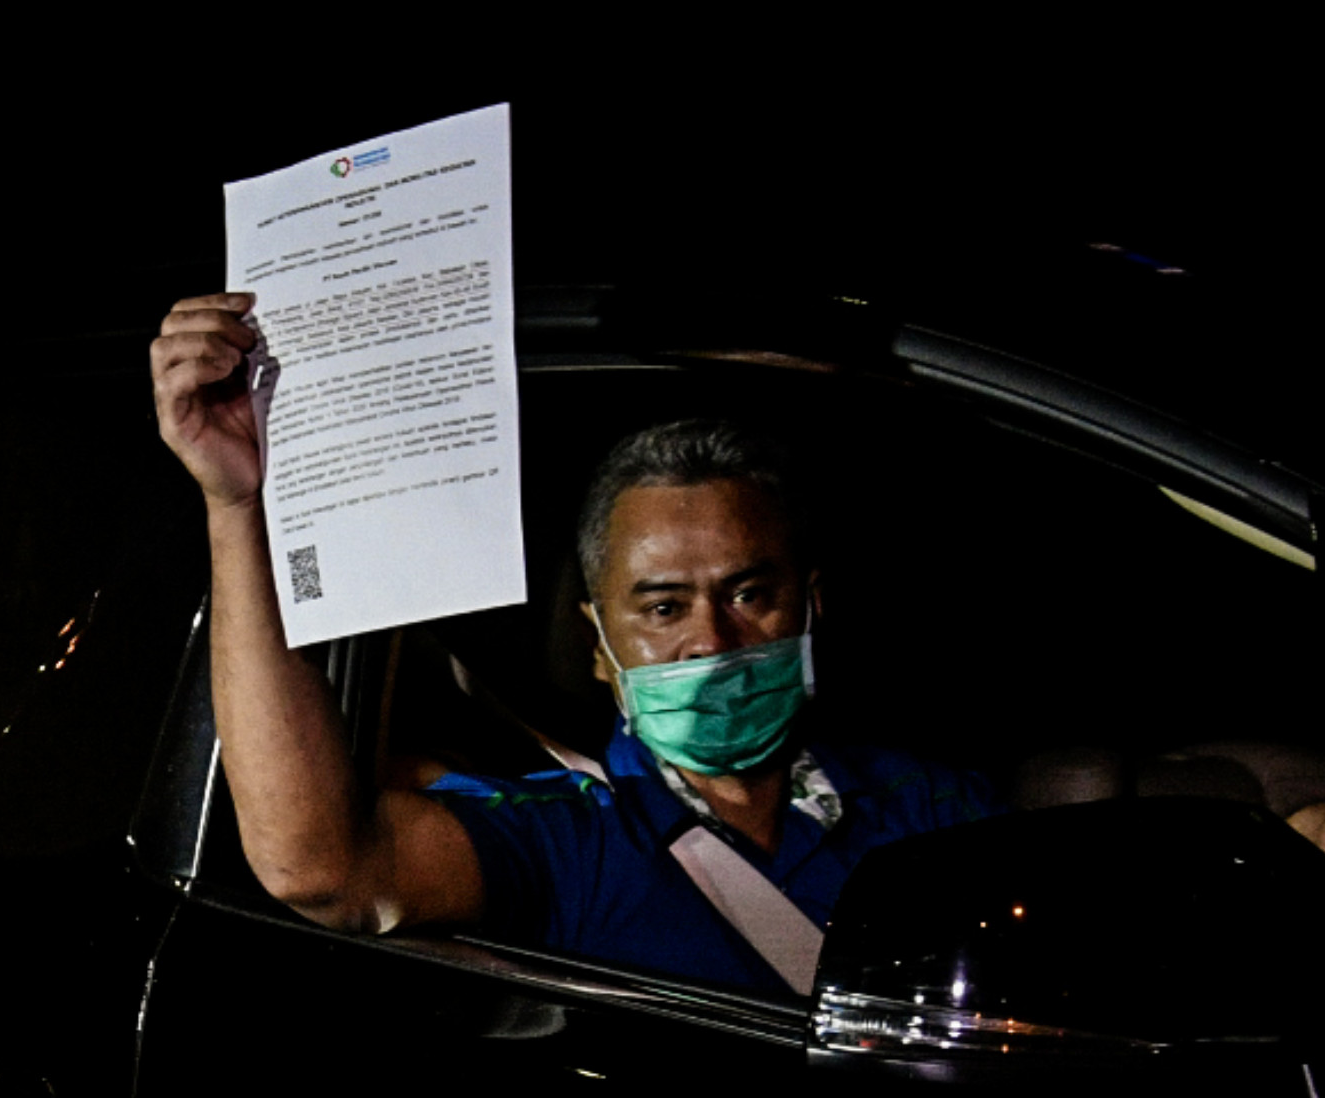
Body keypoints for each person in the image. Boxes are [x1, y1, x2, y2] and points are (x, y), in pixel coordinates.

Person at [150, 289, 996, 995]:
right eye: (662, 609)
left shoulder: (924, 807)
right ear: (598, 644)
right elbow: (323, 870)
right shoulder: (571, 834)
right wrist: (237, 511)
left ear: (810, 605)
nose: (712, 639)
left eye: (749, 594)